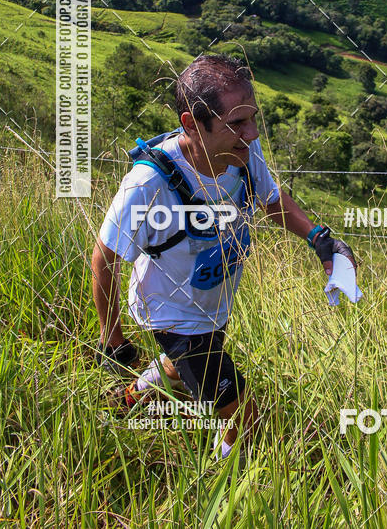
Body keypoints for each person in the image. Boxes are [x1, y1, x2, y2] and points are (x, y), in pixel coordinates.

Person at [92, 54, 357, 459]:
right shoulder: (147, 184)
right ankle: (216, 489)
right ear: (191, 124)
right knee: (243, 419)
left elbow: (270, 199)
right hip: (173, 314)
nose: (251, 133)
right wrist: (112, 339)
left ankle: (126, 402)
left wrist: (317, 237)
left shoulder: (242, 151)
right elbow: (103, 260)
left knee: (177, 368)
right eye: (236, 123)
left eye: (251, 118)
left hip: (214, 304)